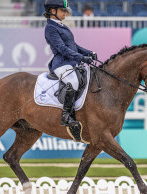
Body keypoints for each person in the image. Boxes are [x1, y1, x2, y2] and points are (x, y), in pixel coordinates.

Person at [43, 0, 97, 140]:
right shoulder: (50, 28)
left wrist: (88, 53)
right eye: (63, 10)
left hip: (71, 62)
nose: (65, 13)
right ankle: (66, 116)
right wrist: (81, 58)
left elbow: (74, 45)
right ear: (52, 11)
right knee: (72, 82)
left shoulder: (62, 26)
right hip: (61, 64)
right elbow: (62, 49)